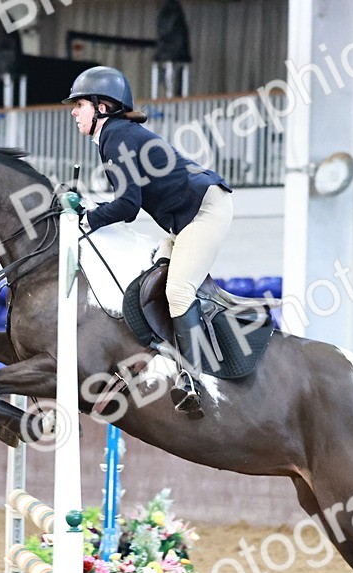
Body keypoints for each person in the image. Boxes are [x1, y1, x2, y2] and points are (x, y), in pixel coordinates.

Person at [63, 65, 232, 417]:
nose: (74, 111)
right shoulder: (117, 135)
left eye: (80, 104)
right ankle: (164, 354)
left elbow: (127, 206)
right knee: (151, 279)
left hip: (204, 212)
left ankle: (193, 380)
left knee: (178, 292)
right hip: (184, 222)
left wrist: (88, 217)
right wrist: (89, 212)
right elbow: (126, 202)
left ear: (102, 107)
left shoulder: (116, 137)